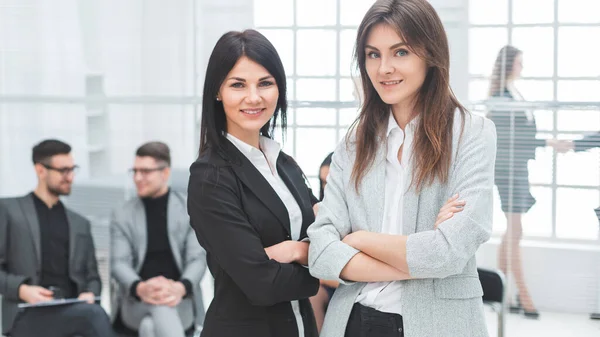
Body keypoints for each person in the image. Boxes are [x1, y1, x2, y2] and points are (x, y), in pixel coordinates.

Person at [307, 0, 496, 336]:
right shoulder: (353, 144)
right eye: (373, 54)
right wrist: (420, 258)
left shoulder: (472, 133)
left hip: (437, 325)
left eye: (401, 52)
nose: (384, 68)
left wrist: (359, 239)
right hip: (353, 322)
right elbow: (321, 252)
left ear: (431, 54)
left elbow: (448, 254)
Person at [186, 29, 320, 337]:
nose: (254, 97)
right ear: (217, 91)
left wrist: (297, 253)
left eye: (265, 83)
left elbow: (329, 227)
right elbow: (262, 285)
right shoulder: (210, 177)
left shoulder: (284, 163)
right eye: (238, 84)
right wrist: (328, 268)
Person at [0, 139, 114, 337]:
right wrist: (22, 290)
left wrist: (89, 293)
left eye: (72, 169)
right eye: (63, 171)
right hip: (26, 312)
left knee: (93, 314)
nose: (70, 177)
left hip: (71, 310)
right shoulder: (10, 211)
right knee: (94, 316)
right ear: (40, 170)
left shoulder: (80, 224)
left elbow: (93, 278)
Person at [487, 45, 555, 319]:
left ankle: (506, 294)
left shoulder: (512, 93)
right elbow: (509, 139)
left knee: (513, 232)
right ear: (509, 65)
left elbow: (522, 134)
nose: (522, 68)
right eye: (519, 63)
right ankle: (523, 295)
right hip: (508, 170)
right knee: (515, 231)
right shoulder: (500, 98)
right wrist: (547, 141)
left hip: (518, 169)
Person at [110, 141, 207, 337]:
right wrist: (142, 288)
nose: (138, 178)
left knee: (150, 327)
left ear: (165, 173)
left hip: (179, 300)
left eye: (145, 171)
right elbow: (119, 263)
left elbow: (197, 259)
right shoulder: (123, 213)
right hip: (136, 301)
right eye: (135, 171)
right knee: (162, 308)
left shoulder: (189, 210)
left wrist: (180, 288)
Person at [309, 152, 339, 333]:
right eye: (323, 183)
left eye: (332, 183)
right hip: (326, 286)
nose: (327, 190)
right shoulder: (318, 212)